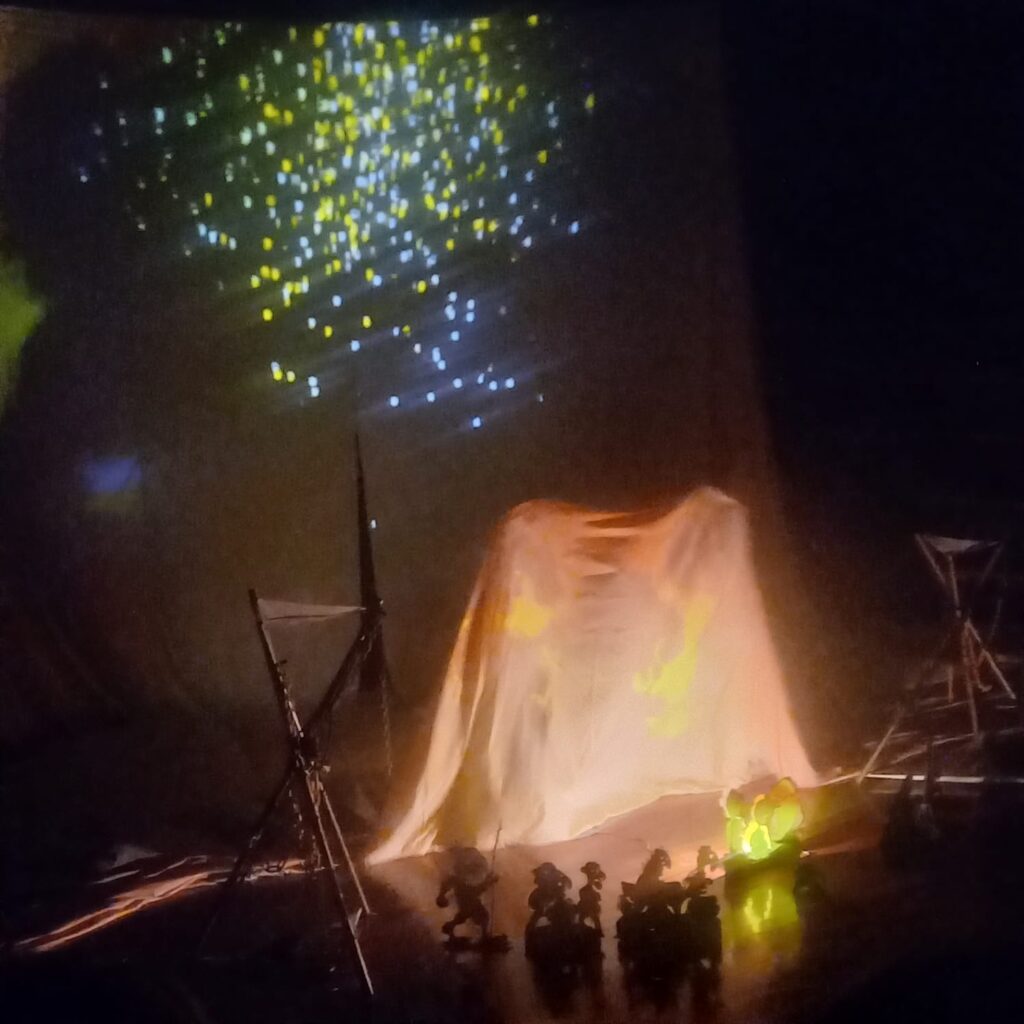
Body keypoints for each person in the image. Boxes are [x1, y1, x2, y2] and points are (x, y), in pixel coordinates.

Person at [436, 847, 498, 942]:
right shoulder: (463, 873)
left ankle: (450, 928)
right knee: (477, 915)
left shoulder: (472, 871)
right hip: (467, 896)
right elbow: (477, 888)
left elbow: (479, 885)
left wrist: (491, 879)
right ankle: (484, 936)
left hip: (468, 896)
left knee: (466, 914)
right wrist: (441, 895)